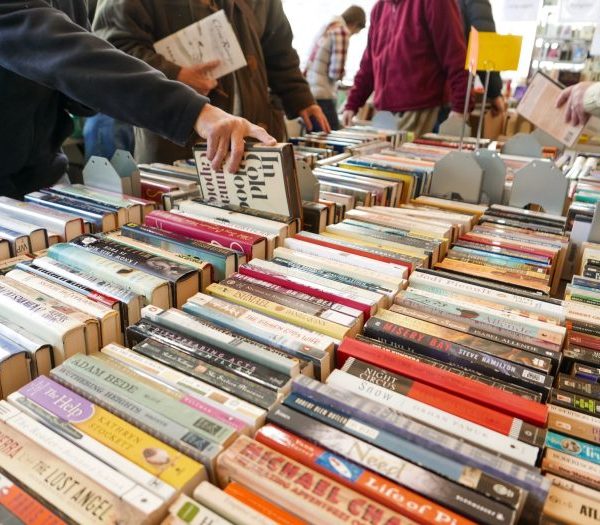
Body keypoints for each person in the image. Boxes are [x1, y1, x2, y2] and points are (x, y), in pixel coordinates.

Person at [0, 0, 275, 200]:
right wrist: (194, 111)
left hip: (44, 174)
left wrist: (82, 92)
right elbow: (65, 51)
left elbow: (79, 68)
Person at [93, 0, 330, 164]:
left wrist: (299, 96)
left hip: (253, 135)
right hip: (176, 140)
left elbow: (278, 48)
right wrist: (174, 73)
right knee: (181, 223)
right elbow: (112, 51)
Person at [342, 0, 471, 136]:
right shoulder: (379, 9)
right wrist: (352, 104)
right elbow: (369, 65)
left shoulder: (435, 3)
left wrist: (460, 108)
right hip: (385, 114)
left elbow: (455, 56)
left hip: (424, 112)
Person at [304, 5, 367, 131]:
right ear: (355, 24)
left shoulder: (328, 26)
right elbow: (335, 72)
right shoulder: (342, 32)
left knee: (315, 140)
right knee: (331, 137)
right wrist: (343, 74)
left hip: (310, 92)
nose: (353, 35)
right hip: (324, 94)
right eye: (356, 32)